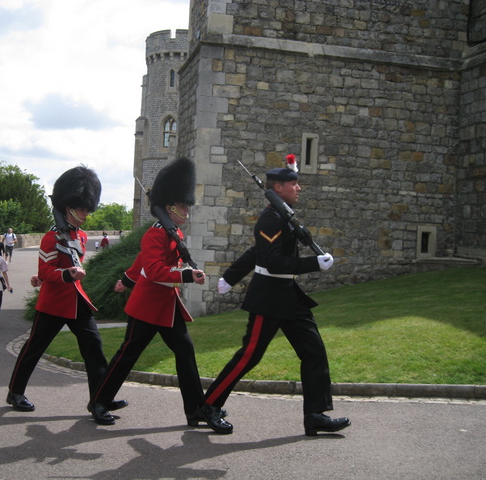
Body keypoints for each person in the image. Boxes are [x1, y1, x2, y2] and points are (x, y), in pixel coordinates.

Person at [200, 155, 351, 436]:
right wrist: (313, 263)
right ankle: (209, 405)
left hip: (288, 296)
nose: (299, 188)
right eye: (294, 184)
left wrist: (231, 277)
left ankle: (315, 415)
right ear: (278, 187)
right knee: (249, 356)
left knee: (314, 351)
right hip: (268, 297)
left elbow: (256, 252)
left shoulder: (283, 215)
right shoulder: (270, 218)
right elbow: (272, 262)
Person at [89, 157, 230, 434]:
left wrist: (126, 280)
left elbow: (141, 263)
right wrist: (187, 275)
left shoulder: (173, 232)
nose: (187, 209)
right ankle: (99, 401)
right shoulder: (155, 234)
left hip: (166, 305)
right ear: (169, 206)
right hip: (147, 306)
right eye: (183, 205)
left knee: (185, 351)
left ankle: (195, 409)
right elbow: (153, 270)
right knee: (128, 355)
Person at [6, 165, 127, 415]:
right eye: (82, 209)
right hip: (53, 303)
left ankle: (99, 400)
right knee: (33, 349)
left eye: (87, 208)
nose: (85, 213)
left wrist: (65, 275)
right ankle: (15, 392)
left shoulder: (81, 236)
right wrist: (64, 274)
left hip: (77, 301)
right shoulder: (51, 237)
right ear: (68, 207)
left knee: (94, 348)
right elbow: (46, 270)